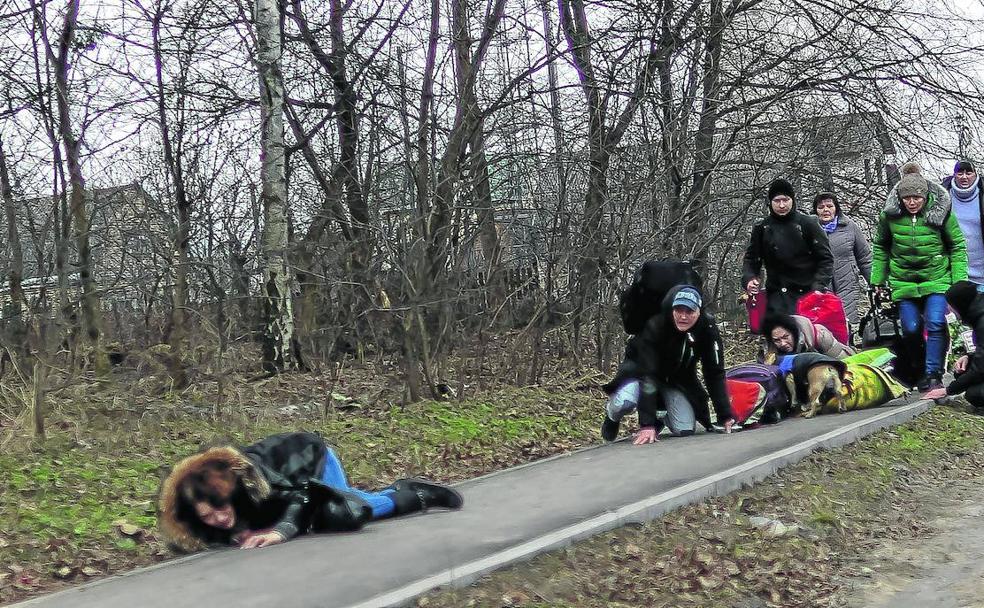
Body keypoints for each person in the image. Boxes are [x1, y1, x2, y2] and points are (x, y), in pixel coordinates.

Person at [158, 432, 463, 551]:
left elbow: (302, 495)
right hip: (293, 482)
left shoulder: (254, 482)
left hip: (310, 458)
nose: (219, 518)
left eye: (221, 509)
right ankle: (406, 491)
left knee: (347, 510)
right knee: (330, 512)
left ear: (229, 494)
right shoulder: (197, 513)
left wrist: (281, 531)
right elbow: (190, 538)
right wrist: (230, 534)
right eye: (208, 517)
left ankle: (416, 493)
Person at [871, 162, 968, 391]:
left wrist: (959, 281)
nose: (912, 203)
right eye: (907, 198)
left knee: (935, 322)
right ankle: (919, 365)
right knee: (911, 327)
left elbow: (957, 246)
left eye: (917, 198)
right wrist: (877, 280)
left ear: (925, 197)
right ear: (901, 198)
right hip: (903, 281)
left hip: (937, 278)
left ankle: (933, 372)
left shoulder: (941, 213)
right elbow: (881, 247)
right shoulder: (889, 216)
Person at [601, 285, 735, 444]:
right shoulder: (655, 326)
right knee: (624, 402)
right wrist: (647, 424)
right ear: (672, 310)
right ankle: (612, 413)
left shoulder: (707, 329)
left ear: (699, 312)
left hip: (676, 381)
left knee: (684, 429)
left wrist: (725, 415)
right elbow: (647, 375)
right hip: (640, 377)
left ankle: (660, 415)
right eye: (679, 310)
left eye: (689, 312)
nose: (683, 317)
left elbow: (714, 372)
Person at [742, 178, 834, 317]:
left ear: (792, 200)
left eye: (785, 200)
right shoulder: (762, 228)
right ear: (770, 202)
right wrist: (750, 279)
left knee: (807, 336)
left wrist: (819, 287)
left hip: (808, 294)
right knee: (780, 337)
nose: (782, 205)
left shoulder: (808, 223)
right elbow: (752, 259)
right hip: (776, 295)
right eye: (777, 201)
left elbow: (825, 259)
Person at [812, 191, 872, 338]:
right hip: (821, 286)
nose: (825, 210)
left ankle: (847, 352)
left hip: (847, 282)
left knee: (846, 321)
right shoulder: (810, 229)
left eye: (829, 206)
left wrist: (875, 282)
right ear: (815, 210)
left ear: (836, 208)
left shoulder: (850, 226)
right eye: (821, 207)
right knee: (825, 325)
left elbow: (865, 257)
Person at [926, 280, 984, 408]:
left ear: (960, 305)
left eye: (950, 306)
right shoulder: (978, 315)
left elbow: (980, 369)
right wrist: (970, 356)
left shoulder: (982, 323)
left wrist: (947, 390)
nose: (948, 310)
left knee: (974, 394)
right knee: (962, 372)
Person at [943, 160, 984, 285]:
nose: (964, 177)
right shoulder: (942, 196)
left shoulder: (982, 195)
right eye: (960, 173)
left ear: (975, 174)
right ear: (954, 175)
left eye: (969, 173)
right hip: (953, 273)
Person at [760, 313, 855, 363]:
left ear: (794, 333)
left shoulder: (821, 336)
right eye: (777, 340)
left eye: (786, 337)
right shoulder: (770, 349)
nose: (783, 343)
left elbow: (845, 362)